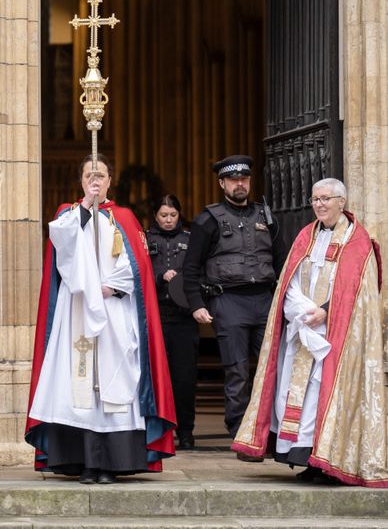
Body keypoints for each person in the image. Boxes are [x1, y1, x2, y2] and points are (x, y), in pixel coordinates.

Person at [26, 154, 176, 485]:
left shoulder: (123, 217)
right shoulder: (68, 215)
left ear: (111, 180)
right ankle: (80, 460)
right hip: (77, 311)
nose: (96, 180)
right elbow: (61, 243)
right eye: (89, 175)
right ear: (80, 181)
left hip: (113, 312)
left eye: (102, 175)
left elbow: (138, 268)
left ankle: (112, 462)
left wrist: (114, 286)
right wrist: (85, 208)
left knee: (114, 380)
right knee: (77, 382)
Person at [232, 179, 387, 487]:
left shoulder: (358, 241)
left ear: (341, 202)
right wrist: (303, 311)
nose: (318, 204)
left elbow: (362, 293)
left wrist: (327, 311)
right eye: (315, 199)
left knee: (325, 395)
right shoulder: (306, 235)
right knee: (301, 399)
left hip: (336, 339)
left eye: (325, 199)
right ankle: (308, 459)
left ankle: (330, 461)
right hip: (303, 329)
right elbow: (288, 281)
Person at [181, 155, 288, 450]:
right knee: (237, 371)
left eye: (244, 179)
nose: (239, 184)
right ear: (222, 183)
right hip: (228, 301)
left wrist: (288, 302)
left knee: (273, 366)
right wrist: (196, 304)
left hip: (264, 300)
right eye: (233, 180)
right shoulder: (207, 220)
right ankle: (240, 432)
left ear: (249, 181)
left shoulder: (267, 217)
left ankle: (274, 431)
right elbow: (191, 268)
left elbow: (282, 262)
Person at [146, 195, 198, 450]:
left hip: (183, 318)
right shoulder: (145, 239)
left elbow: (201, 271)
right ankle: (155, 430)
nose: (168, 220)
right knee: (154, 375)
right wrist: (159, 276)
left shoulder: (189, 240)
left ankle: (186, 431)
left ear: (179, 214)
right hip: (155, 317)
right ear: (155, 215)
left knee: (184, 378)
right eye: (163, 215)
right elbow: (137, 271)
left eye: (173, 215)